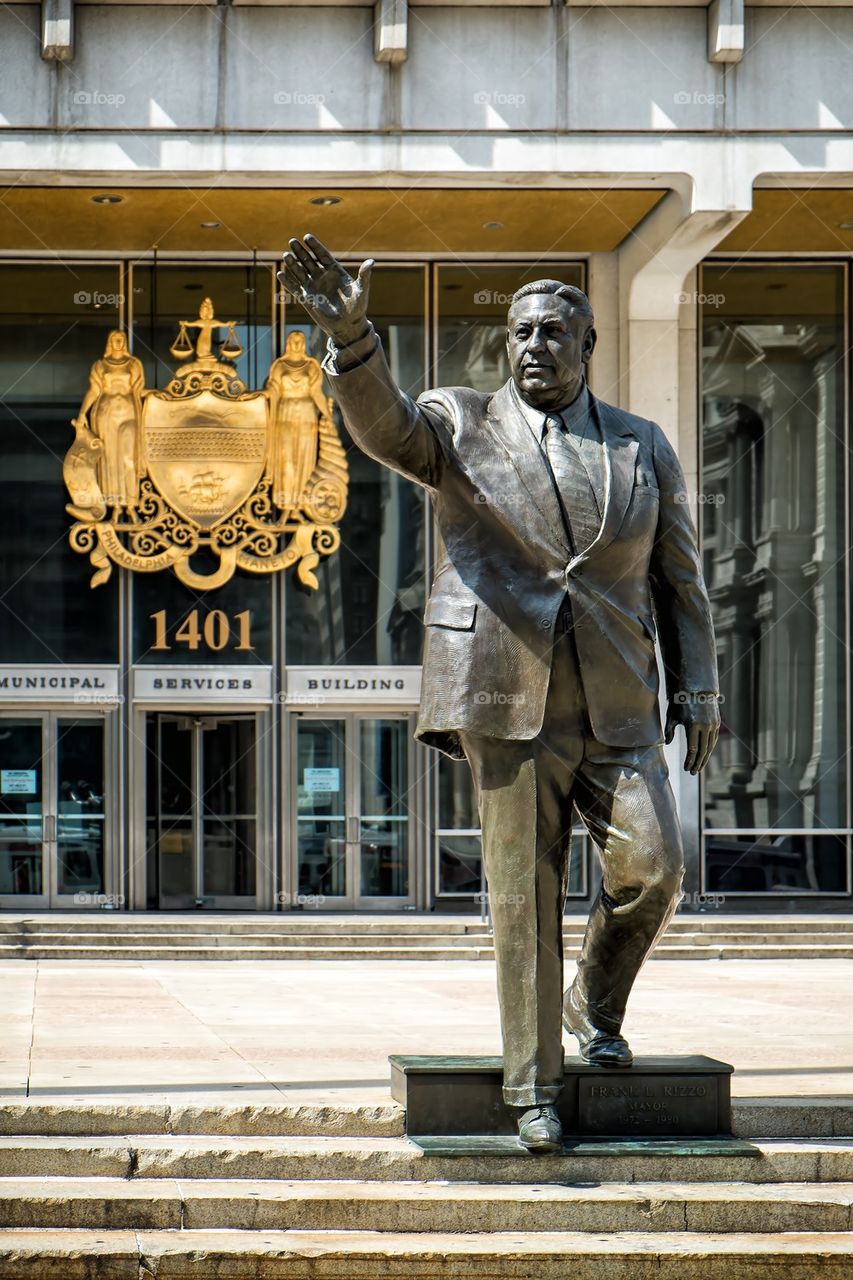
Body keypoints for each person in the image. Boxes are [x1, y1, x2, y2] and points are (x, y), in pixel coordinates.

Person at [279, 235, 720, 1154]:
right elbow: (386, 430)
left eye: (553, 332)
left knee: (653, 870)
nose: (534, 346)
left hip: (619, 694)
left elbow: (678, 576)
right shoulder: (460, 421)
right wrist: (353, 341)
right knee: (523, 897)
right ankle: (532, 1088)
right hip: (502, 688)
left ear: (586, 343)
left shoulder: (640, 443)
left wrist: (700, 686)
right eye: (520, 332)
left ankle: (591, 1004)